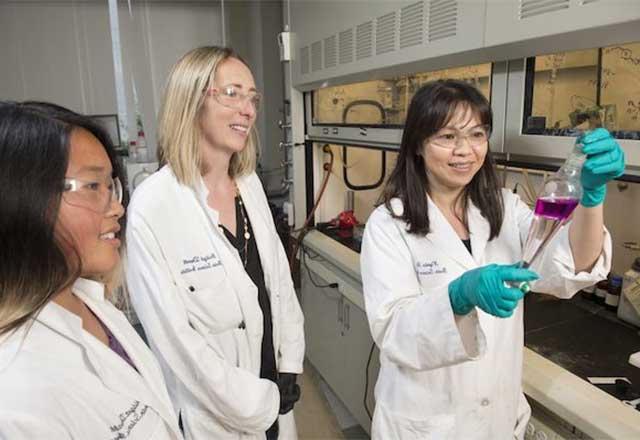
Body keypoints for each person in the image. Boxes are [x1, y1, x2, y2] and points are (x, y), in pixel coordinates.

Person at [360, 79, 624, 439]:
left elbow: (572, 265)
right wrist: (458, 296)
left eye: (477, 135)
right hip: (425, 424)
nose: (465, 150)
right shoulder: (389, 224)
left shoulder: (504, 207)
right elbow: (393, 332)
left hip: (498, 418)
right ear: (418, 145)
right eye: (447, 137)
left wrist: (591, 198)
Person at [125, 46, 304, 440]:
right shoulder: (154, 206)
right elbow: (175, 341)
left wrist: (290, 360)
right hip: (215, 418)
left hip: (275, 396)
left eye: (252, 98)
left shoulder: (250, 185)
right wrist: (254, 401)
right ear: (191, 98)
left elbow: (280, 286)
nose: (248, 109)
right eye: (232, 93)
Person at [0, 101, 182, 439]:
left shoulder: (87, 300)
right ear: (22, 200)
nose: (117, 207)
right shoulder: (13, 396)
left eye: (111, 186)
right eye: (93, 186)